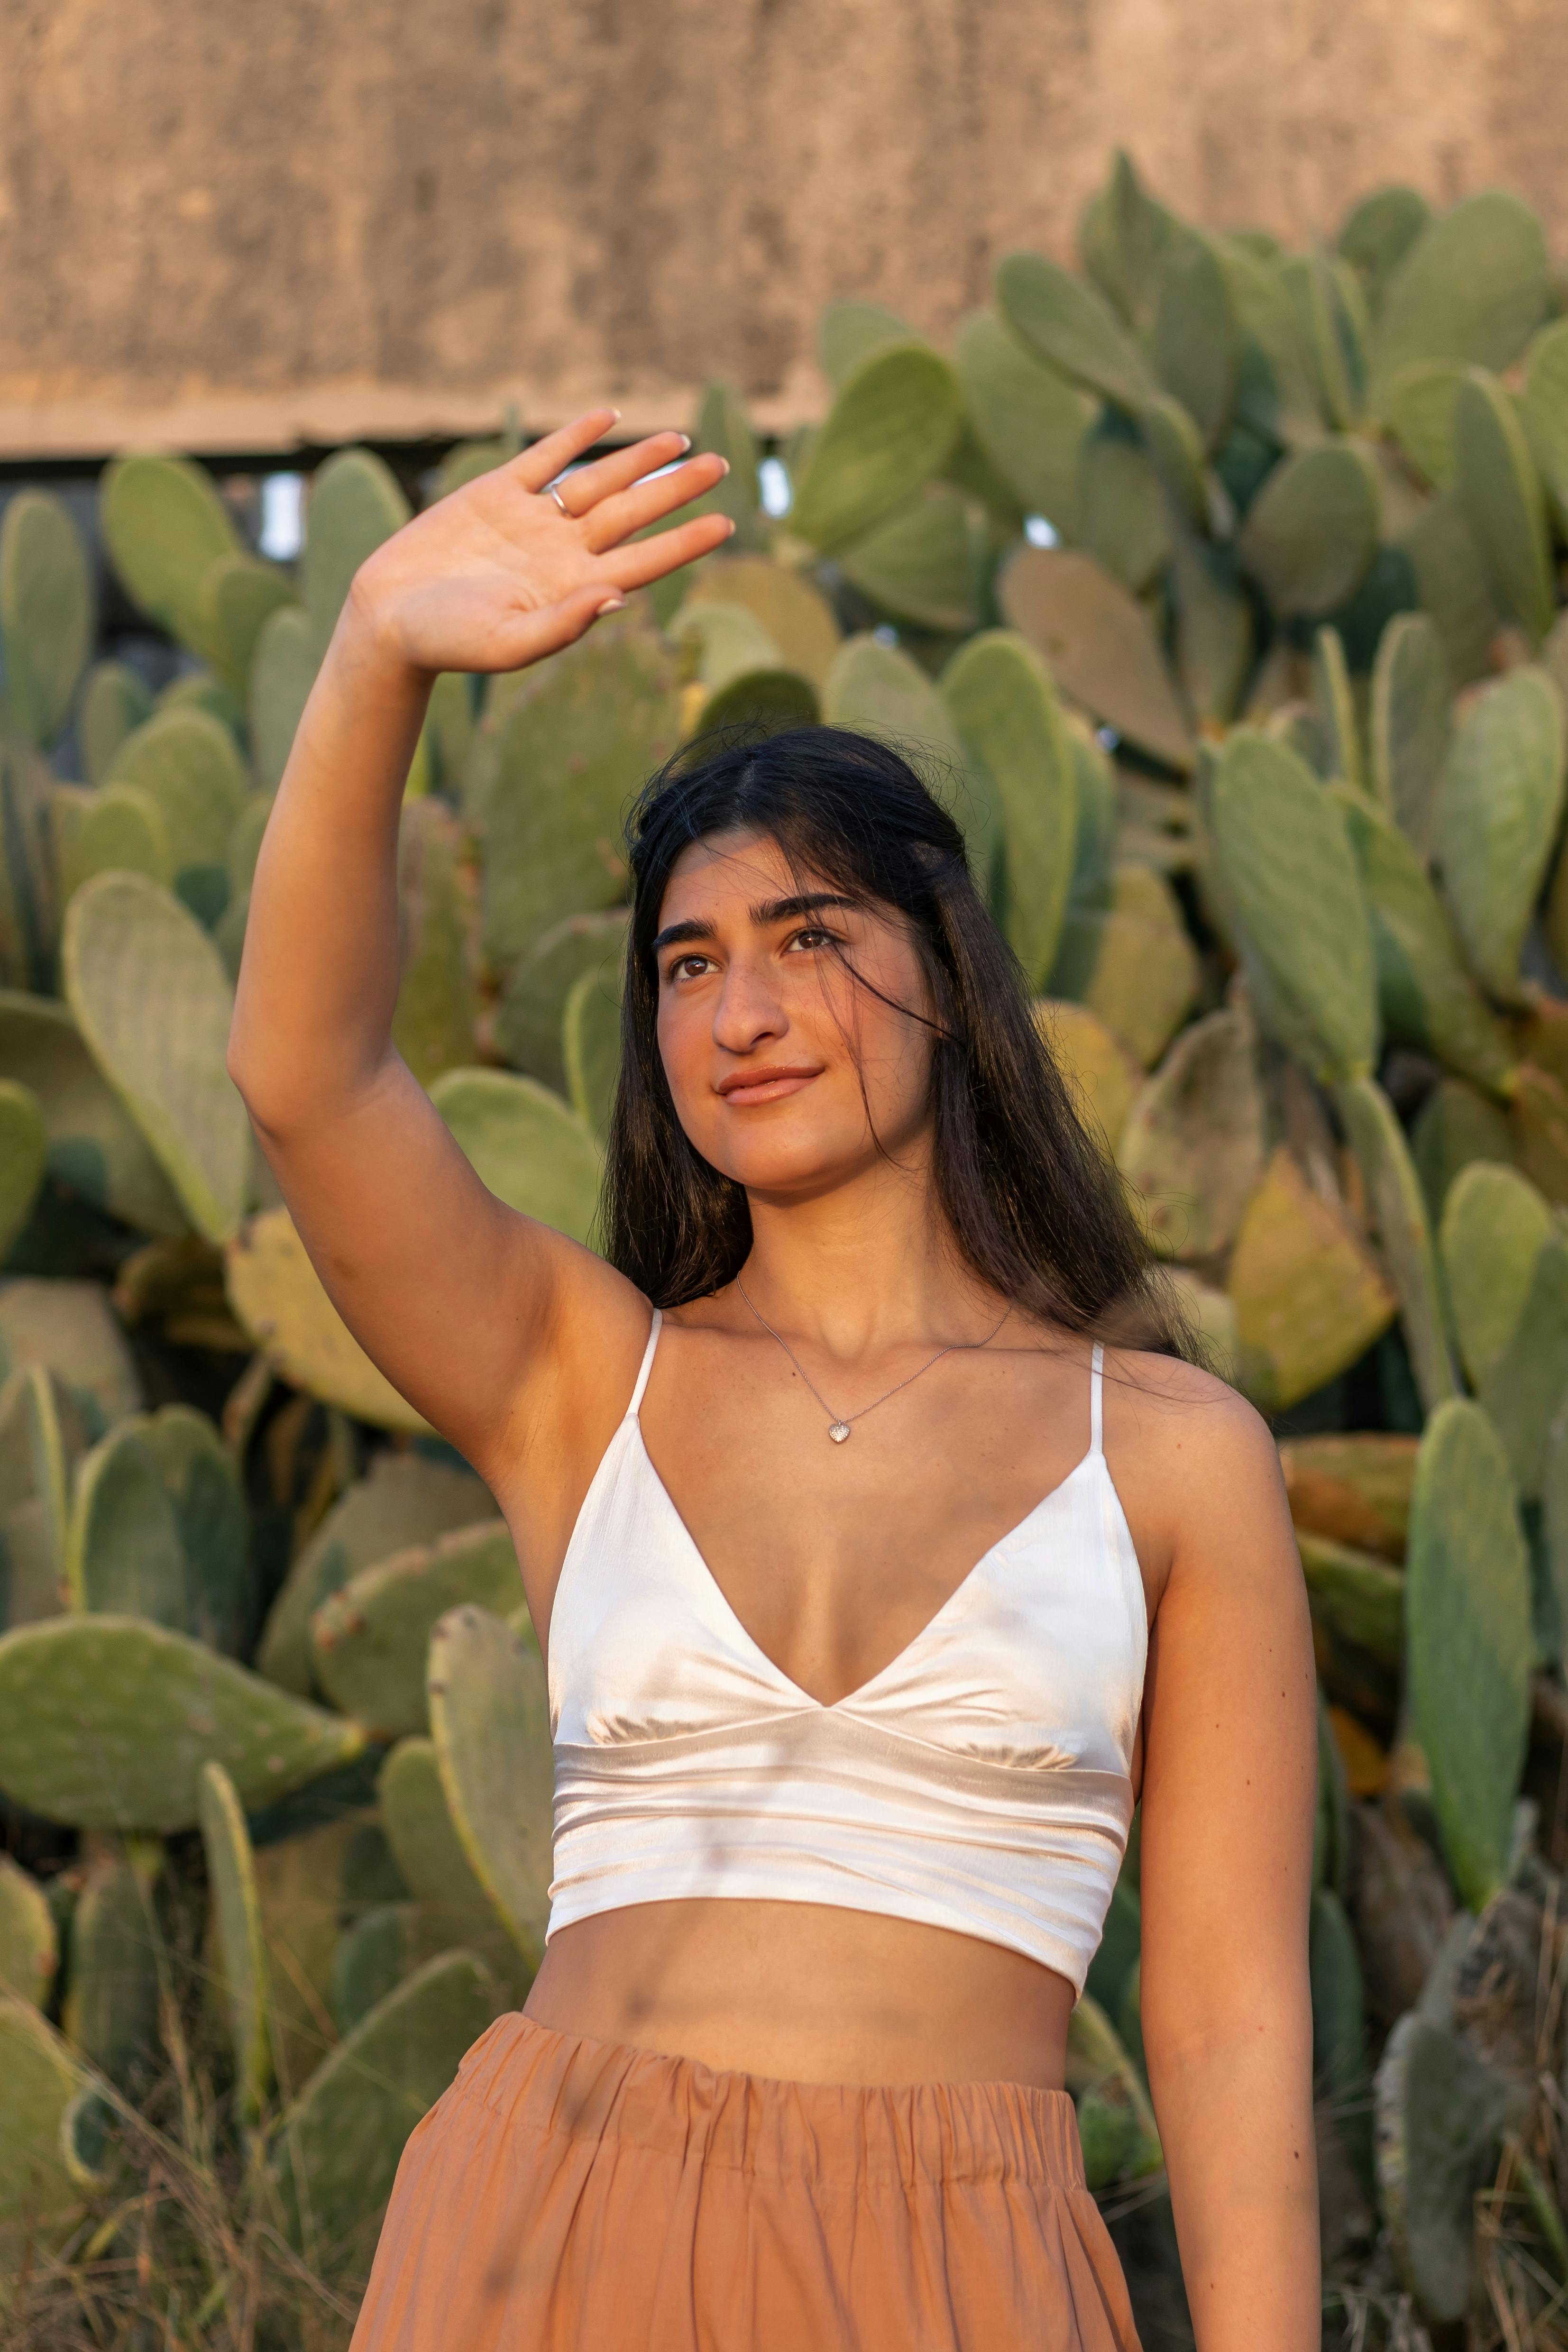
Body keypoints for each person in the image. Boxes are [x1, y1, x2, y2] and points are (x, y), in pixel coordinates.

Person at [229, 413, 1320, 2352]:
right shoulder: (581, 1377)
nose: (738, 1011)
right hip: (548, 2226)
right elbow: (308, 1080)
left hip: (953, 2265)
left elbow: (1227, 2017)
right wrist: (376, 646)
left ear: (944, 971)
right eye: (686, 962)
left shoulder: (1164, 1456)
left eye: (808, 939)